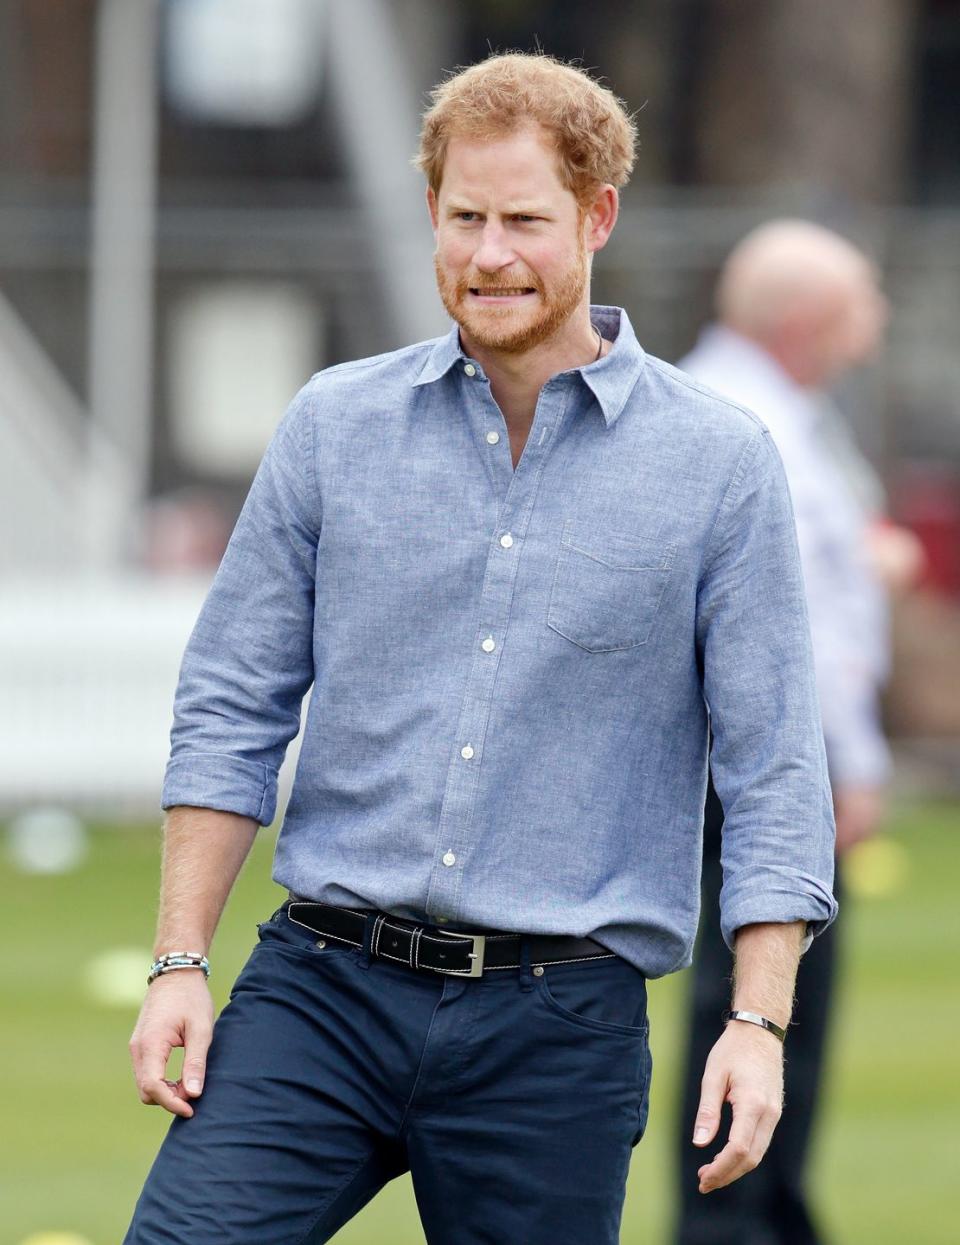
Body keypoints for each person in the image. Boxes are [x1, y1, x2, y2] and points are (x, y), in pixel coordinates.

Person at [124, 56, 837, 1245]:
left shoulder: (720, 466)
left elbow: (774, 771)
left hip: (559, 1027)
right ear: (432, 214)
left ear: (597, 217)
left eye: (525, 221)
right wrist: (177, 960)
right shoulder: (333, 427)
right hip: (322, 989)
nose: (490, 254)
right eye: (465, 218)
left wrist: (756, 1026)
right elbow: (233, 703)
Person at [674, 220, 919, 1245]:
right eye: (864, 297)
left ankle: (765, 1216)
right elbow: (794, 629)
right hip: (769, 760)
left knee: (777, 1004)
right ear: (807, 316)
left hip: (765, 753)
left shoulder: (772, 411)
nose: (879, 322)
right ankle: (737, 1223)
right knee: (764, 1003)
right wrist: (848, 767)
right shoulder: (746, 420)